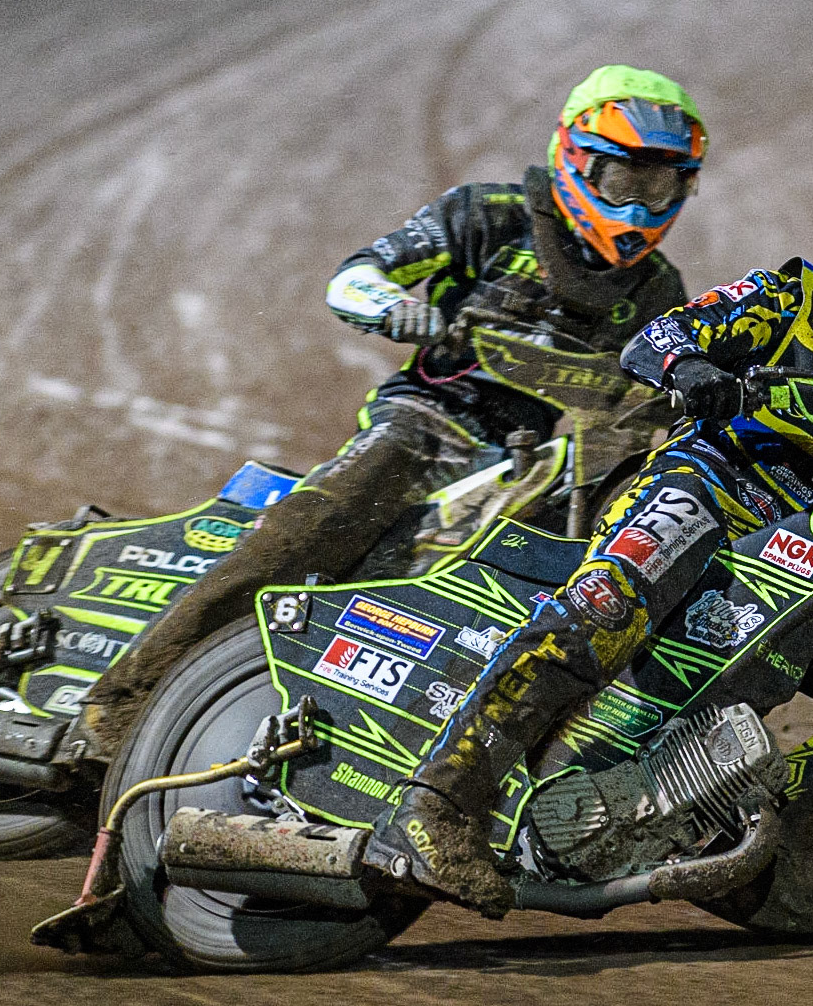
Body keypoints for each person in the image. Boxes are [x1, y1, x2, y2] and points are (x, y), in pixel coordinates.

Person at [365, 161, 813, 933]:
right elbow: (657, 338)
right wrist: (694, 370)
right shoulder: (792, 300)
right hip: (710, 492)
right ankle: (439, 803)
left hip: (806, 579)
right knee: (608, 599)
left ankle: (762, 855)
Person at [69, 65, 706, 761]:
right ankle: (119, 699)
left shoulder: (657, 286)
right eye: (627, 180)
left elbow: (651, 389)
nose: (642, 203)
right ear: (579, 158)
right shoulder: (491, 213)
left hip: (538, 464)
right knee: (316, 525)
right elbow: (355, 275)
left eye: (663, 184)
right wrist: (393, 305)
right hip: (429, 423)